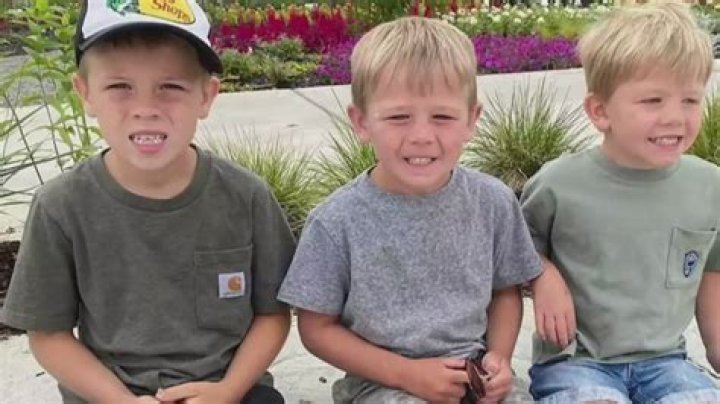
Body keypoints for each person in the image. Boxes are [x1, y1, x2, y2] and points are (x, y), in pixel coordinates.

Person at [2, 1, 295, 403]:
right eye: (119, 87)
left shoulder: (246, 197)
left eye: (170, 87)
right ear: (85, 94)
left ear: (207, 96)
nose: (145, 110)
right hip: (108, 394)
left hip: (229, 390)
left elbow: (273, 313)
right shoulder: (59, 207)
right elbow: (48, 334)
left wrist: (228, 390)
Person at [278, 16, 541, 404]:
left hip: (473, 373)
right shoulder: (336, 222)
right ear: (361, 122)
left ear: (471, 120)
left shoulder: (493, 202)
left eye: (442, 117)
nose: (421, 136)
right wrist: (406, 374)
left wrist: (499, 358)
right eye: (399, 117)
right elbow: (316, 328)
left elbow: (505, 291)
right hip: (381, 383)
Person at [522, 3, 720, 403]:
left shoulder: (709, 185)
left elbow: (711, 273)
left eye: (690, 100)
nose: (675, 117)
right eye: (653, 101)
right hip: (575, 363)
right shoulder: (558, 184)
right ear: (600, 111)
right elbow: (513, 250)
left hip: (667, 363)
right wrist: (543, 275)